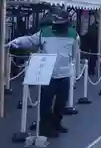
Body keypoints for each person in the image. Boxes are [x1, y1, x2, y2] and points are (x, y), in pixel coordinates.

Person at [8, 8, 79, 138]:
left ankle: (56, 123)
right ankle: (45, 128)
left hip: (64, 74)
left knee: (61, 103)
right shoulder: (44, 33)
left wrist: (70, 67)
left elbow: (74, 53)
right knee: (46, 103)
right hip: (48, 74)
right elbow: (30, 40)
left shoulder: (73, 35)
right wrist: (17, 42)